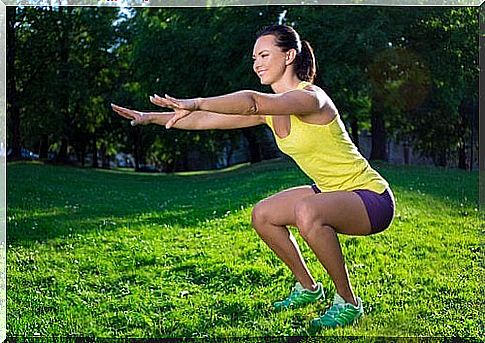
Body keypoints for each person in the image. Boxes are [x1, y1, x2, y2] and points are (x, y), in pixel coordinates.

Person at [111, 24, 395, 329]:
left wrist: (195, 101)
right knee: (263, 215)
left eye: (264, 54)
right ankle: (309, 288)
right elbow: (208, 120)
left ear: (289, 56)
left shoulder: (312, 98)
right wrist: (152, 117)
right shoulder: (270, 111)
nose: (256, 63)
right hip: (330, 191)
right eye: (253, 57)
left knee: (306, 210)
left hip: (372, 199)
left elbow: (252, 101)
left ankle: (348, 302)